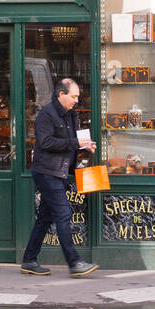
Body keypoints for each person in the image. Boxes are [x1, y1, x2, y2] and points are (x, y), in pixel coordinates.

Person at [21, 78, 98, 277]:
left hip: (60, 172)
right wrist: (74, 143)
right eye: (73, 96)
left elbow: (74, 141)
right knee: (63, 214)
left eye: (78, 96)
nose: (77, 100)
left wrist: (85, 146)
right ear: (61, 94)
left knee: (45, 219)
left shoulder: (71, 114)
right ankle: (74, 263)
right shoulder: (46, 115)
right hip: (47, 172)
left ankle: (29, 260)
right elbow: (46, 142)